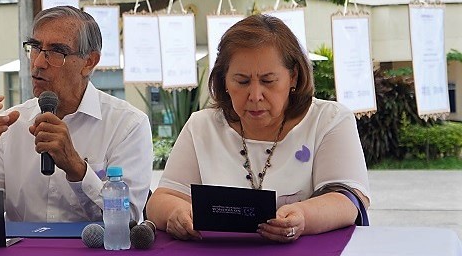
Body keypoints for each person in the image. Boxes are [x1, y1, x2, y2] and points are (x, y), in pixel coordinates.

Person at [146, 14, 370, 243]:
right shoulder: (202, 126)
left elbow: (347, 200)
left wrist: (302, 216)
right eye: (242, 81)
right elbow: (161, 200)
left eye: (268, 80)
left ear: (293, 77)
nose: (255, 96)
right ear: (224, 81)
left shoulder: (329, 119)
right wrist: (176, 213)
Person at [0, 6, 153, 222]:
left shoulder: (127, 124)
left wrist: (76, 168)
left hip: (93, 254)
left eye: (56, 52)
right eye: (35, 48)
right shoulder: (11, 124)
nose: (38, 63)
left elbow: (128, 220)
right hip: (22, 254)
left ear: (89, 62)